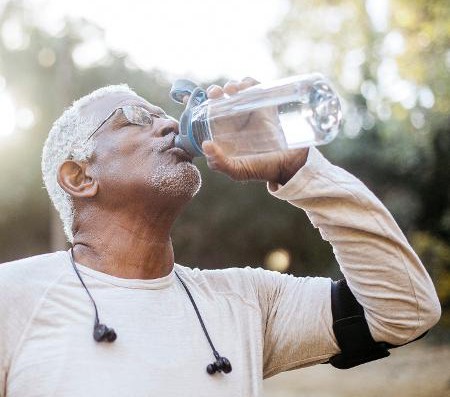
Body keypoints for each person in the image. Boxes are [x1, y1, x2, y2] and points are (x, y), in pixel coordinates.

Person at [0, 77, 441, 397]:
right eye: (135, 119)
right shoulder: (14, 297)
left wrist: (300, 171)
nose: (171, 126)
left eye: (166, 115)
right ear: (79, 177)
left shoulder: (246, 302)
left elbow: (405, 309)